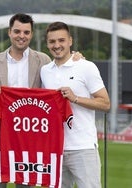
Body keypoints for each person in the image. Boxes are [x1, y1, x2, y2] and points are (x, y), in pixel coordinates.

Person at [0, 14, 82, 188]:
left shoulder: (43, 60)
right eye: (17, 31)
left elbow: (62, 68)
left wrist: (76, 58)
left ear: (31, 34)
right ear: (9, 32)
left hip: (28, 139)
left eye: (26, 32)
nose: (21, 36)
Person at [40, 21, 111, 188]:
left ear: (70, 41)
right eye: (52, 41)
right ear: (47, 44)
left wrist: (75, 98)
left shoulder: (86, 67)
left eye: (61, 40)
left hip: (83, 147)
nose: (57, 45)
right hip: (55, 149)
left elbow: (105, 103)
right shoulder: (45, 71)